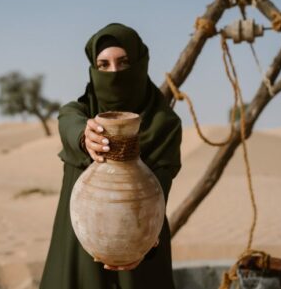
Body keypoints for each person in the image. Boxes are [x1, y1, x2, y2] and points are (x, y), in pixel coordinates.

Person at [39, 23, 182, 289]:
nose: (114, 73)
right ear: (93, 70)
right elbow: (69, 120)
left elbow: (158, 192)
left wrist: (146, 246)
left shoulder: (164, 124)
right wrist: (86, 137)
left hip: (140, 248)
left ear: (140, 64)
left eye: (123, 62)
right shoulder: (79, 114)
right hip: (77, 251)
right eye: (103, 65)